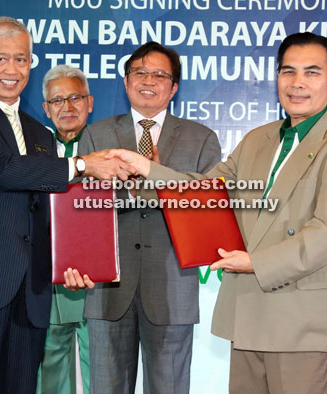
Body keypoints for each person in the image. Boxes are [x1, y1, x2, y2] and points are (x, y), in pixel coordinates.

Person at [106, 32, 327, 394]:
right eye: (288, 71)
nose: (297, 83)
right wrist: (148, 169)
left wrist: (256, 263)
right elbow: (205, 192)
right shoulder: (257, 139)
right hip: (248, 314)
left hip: (301, 322)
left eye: (311, 72)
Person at [0, 17, 129, 394]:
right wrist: (81, 165)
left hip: (28, 294)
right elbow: (1, 170)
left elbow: (47, 209)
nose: (12, 70)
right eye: (1, 59)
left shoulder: (39, 132)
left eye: (22, 59)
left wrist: (72, 263)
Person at [78, 41, 221, 394]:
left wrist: (157, 176)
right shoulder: (96, 135)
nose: (148, 80)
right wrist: (129, 189)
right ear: (126, 82)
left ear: (173, 87)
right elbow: (83, 210)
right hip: (108, 285)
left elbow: (208, 212)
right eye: (139, 72)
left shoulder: (201, 138)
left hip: (172, 285)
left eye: (159, 74)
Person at [38, 64, 94, 394]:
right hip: (47, 280)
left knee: (101, 372)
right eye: (57, 100)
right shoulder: (32, 150)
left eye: (75, 97)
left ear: (90, 102)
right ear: (46, 108)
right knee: (48, 372)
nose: (67, 107)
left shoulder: (110, 146)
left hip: (99, 282)